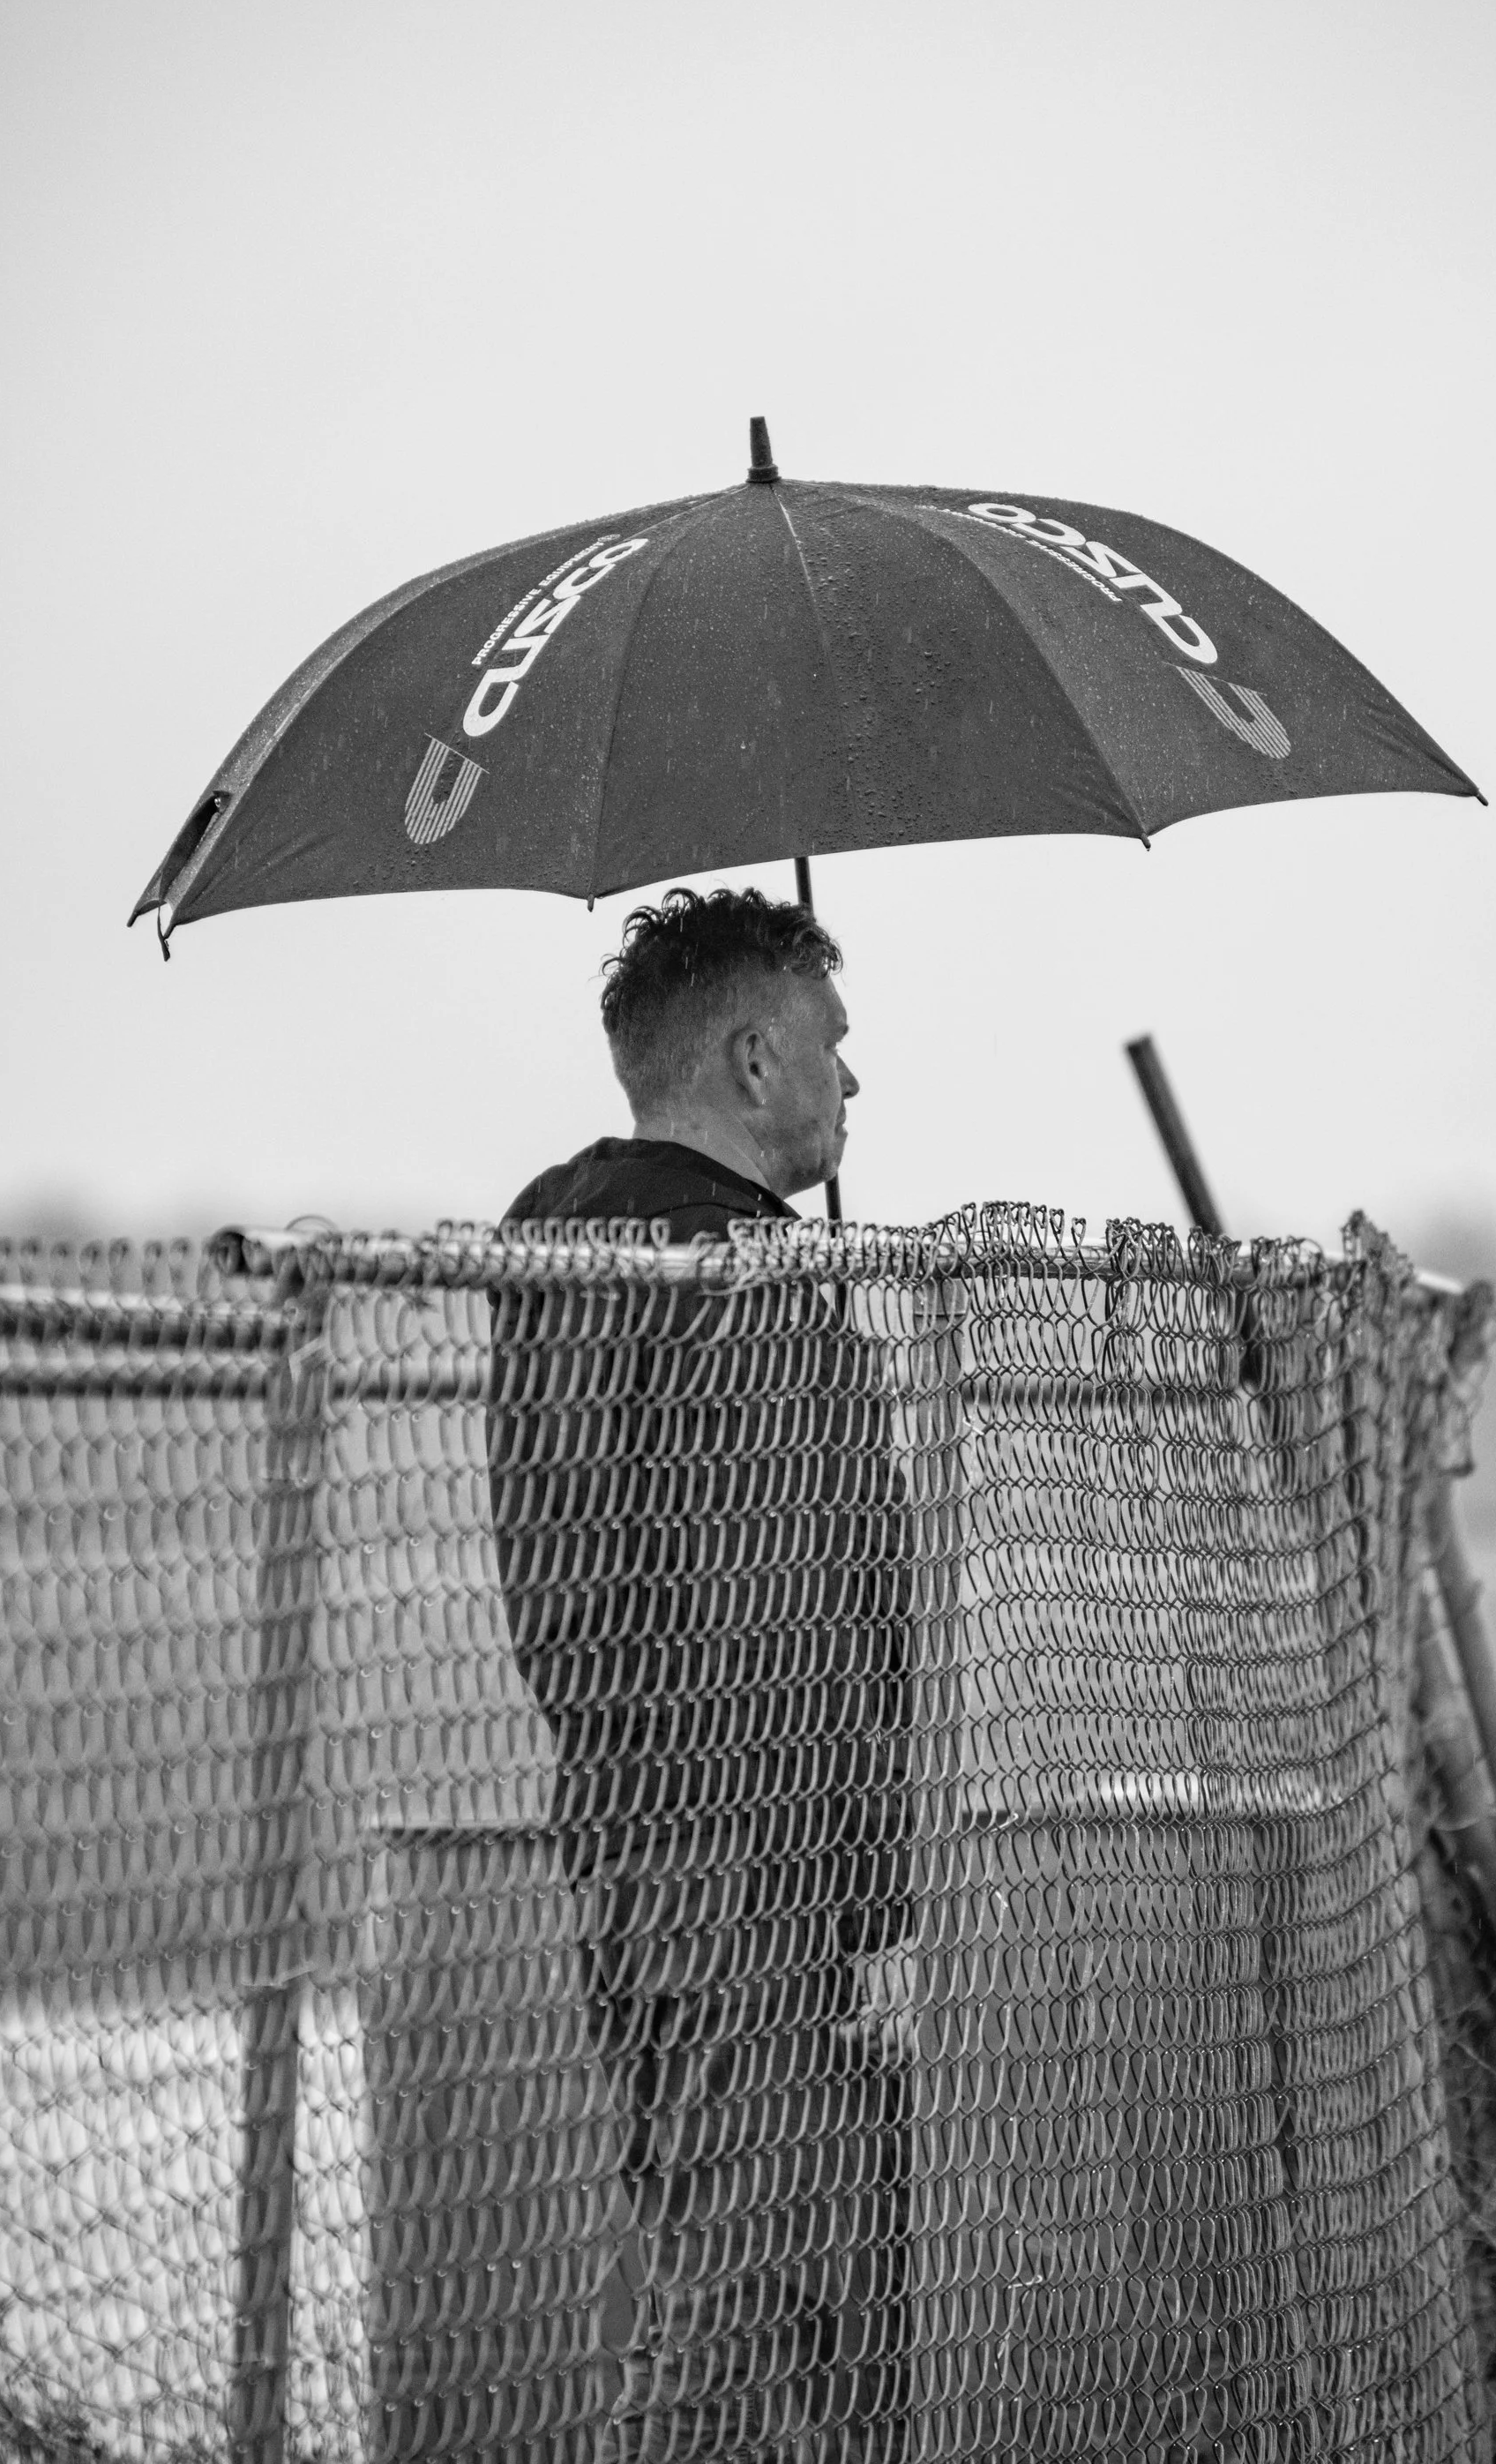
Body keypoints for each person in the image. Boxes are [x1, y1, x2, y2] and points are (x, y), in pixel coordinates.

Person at [486, 887, 913, 2464]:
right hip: (772, 1888)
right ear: (750, 1062)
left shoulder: (562, 1249)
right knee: (751, 2322)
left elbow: (587, 1603)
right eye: (831, 1042)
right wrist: (879, 1901)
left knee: (787, 2312)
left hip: (640, 1867)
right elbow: (795, 1625)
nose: (855, 1081)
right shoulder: (748, 1284)